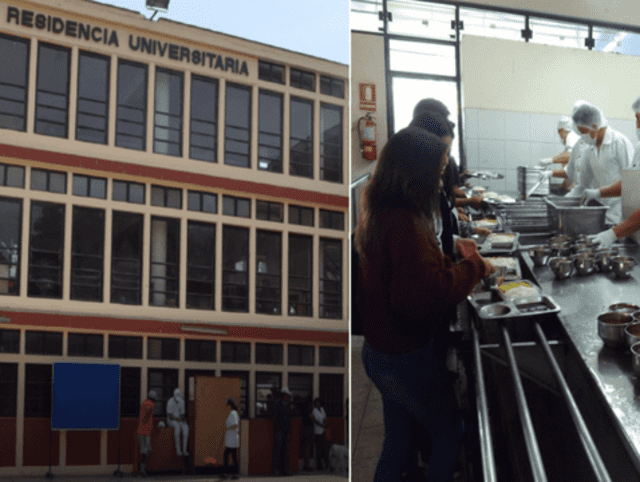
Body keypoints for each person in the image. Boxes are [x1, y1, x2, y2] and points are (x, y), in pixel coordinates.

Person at [355, 127, 494, 482]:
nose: (439, 182)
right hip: (404, 356)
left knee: (398, 439)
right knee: (449, 431)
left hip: (379, 351)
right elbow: (422, 295)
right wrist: (474, 266)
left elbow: (410, 273)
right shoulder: (405, 224)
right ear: (416, 174)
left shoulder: (382, 209)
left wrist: (449, 260)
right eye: (436, 173)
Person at [565, 102, 633, 225]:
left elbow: (632, 182)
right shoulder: (589, 148)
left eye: (583, 132)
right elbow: (583, 185)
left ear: (595, 126)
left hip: (623, 217)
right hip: (602, 217)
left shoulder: (619, 143)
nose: (582, 137)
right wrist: (563, 202)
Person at [586, 95, 640, 248]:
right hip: (632, 235)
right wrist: (598, 193)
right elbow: (630, 183)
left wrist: (613, 233)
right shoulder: (639, 148)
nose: (638, 125)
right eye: (636, 118)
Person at [271, 387, 293, 476]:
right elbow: (274, 417)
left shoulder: (287, 405)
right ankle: (276, 470)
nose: (288, 397)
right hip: (279, 430)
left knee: (286, 451)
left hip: (286, 430)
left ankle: (285, 470)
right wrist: (278, 427)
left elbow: (290, 417)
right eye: (287, 395)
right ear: (284, 395)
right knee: (278, 450)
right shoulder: (278, 404)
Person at [137, 390, 157, 477]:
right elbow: (148, 413)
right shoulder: (151, 404)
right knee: (146, 451)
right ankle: (142, 469)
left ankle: (142, 469)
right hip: (145, 432)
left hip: (141, 431)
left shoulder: (144, 402)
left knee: (144, 451)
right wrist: (146, 419)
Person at [220, 397, 240, 480]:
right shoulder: (234, 413)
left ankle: (226, 473)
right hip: (231, 439)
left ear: (230, 405)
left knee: (226, 455)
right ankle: (235, 473)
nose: (227, 406)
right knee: (233, 456)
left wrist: (227, 429)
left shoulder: (233, 413)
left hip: (231, 439)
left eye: (227, 404)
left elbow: (235, 425)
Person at [166, 388, 189, 457]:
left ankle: (184, 450)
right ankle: (178, 451)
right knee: (177, 427)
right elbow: (170, 416)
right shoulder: (170, 401)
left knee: (186, 428)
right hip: (171, 421)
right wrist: (178, 419)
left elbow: (182, 414)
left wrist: (181, 419)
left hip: (179, 420)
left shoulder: (182, 401)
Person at [312, 398, 329, 471]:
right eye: (316, 403)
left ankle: (327, 465)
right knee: (318, 449)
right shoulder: (314, 410)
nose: (317, 404)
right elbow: (315, 420)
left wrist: (325, 423)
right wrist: (322, 425)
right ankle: (319, 466)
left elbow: (325, 417)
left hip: (323, 431)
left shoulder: (322, 409)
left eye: (318, 402)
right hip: (318, 432)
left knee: (325, 449)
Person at [300, 399, 315, 471]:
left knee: (306, 449)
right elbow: (311, 421)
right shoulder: (308, 413)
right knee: (307, 449)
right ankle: (306, 465)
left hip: (305, 432)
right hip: (307, 432)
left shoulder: (304, 412)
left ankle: (306, 464)